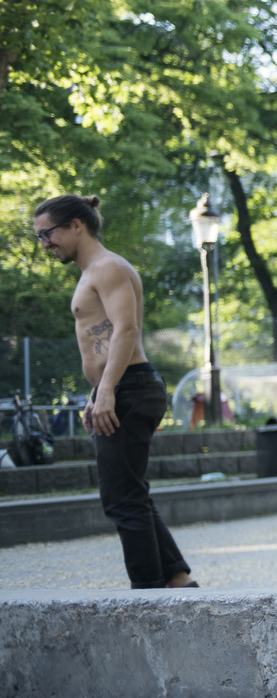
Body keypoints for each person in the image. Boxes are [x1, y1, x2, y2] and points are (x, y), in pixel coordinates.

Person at [34, 194, 196, 589]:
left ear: (76, 225)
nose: (44, 244)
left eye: (47, 234)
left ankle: (148, 594)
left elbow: (126, 329)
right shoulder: (95, 271)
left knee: (121, 498)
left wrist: (106, 390)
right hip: (123, 386)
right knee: (130, 493)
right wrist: (97, 394)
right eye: (39, 237)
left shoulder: (107, 267)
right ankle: (177, 580)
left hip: (129, 385)